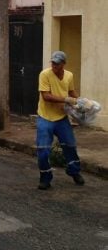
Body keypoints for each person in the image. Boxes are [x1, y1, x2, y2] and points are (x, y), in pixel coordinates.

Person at [36, 50, 85, 190]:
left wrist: (80, 102)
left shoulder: (69, 75)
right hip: (45, 117)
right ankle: (45, 178)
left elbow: (71, 92)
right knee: (43, 150)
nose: (54, 65)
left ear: (63, 64)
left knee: (70, 145)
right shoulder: (45, 74)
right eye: (53, 63)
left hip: (61, 117)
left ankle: (74, 171)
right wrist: (67, 99)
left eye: (57, 63)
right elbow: (46, 96)